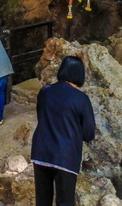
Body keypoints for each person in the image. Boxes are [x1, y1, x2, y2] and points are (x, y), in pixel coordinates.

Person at [31, 56, 96, 206]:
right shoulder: (81, 99)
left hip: (41, 151)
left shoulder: (45, 91)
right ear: (80, 75)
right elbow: (88, 133)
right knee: (65, 201)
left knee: (42, 200)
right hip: (65, 155)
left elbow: (41, 116)